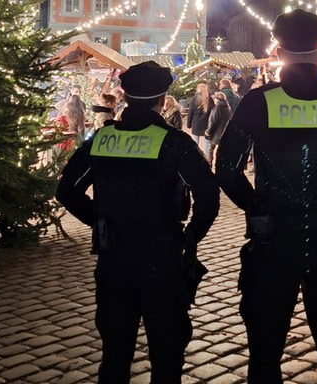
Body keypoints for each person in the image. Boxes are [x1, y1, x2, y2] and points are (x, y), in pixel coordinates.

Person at [214, 9, 317, 384]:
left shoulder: (258, 102)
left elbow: (226, 168)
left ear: (277, 51)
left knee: (265, 351)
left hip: (273, 242)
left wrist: (256, 205)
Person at [56, 61, 220, 384]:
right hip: (161, 261)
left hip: (114, 260)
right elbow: (209, 196)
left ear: (126, 97)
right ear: (162, 101)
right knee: (166, 358)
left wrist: (98, 220)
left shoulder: (102, 140)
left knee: (115, 356)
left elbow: (66, 191)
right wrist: (190, 237)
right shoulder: (173, 142)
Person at [186, 82, 213, 160]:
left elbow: (190, 112)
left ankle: (195, 158)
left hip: (196, 124)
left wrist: (189, 124)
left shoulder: (194, 99)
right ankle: (205, 160)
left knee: (195, 143)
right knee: (205, 145)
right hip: (206, 124)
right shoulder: (209, 99)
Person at [204, 91, 231, 165]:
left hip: (215, 133)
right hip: (224, 132)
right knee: (220, 151)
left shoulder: (216, 109)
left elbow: (212, 122)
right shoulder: (227, 107)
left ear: (218, 99)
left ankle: (209, 164)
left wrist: (208, 132)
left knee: (210, 149)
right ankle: (219, 164)